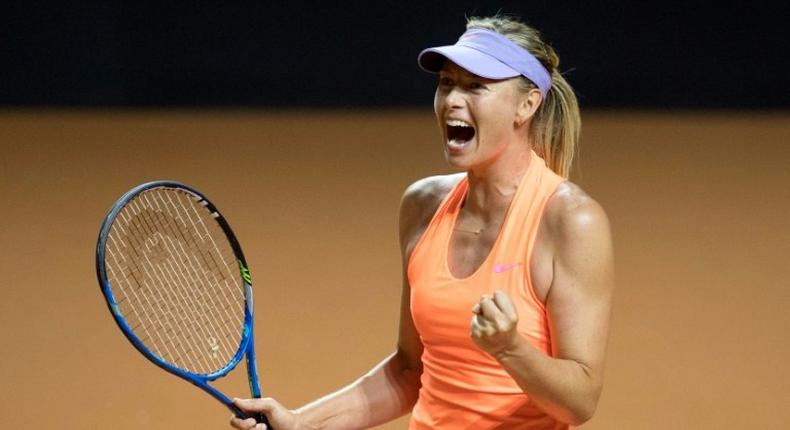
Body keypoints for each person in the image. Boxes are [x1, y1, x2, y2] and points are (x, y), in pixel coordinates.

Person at [231, 14, 614, 430]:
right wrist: (302, 422)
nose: (451, 99)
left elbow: (579, 402)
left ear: (527, 104)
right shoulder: (423, 205)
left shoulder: (571, 221)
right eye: (446, 83)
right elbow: (410, 370)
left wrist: (510, 349)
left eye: (475, 86)